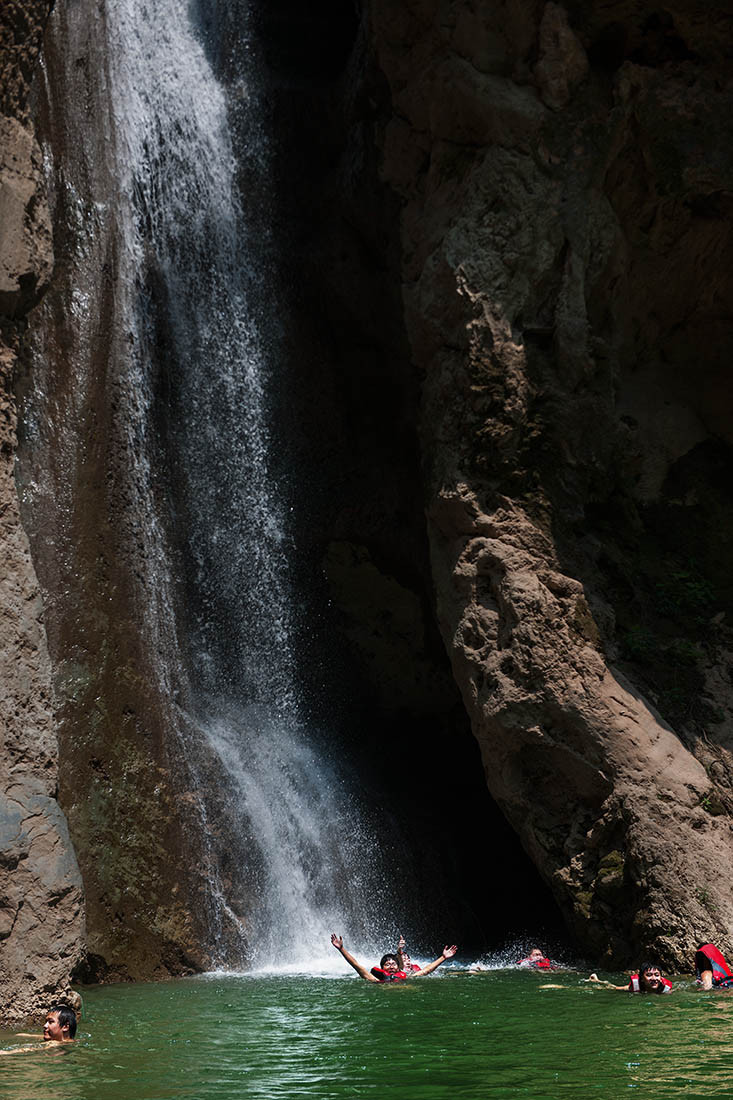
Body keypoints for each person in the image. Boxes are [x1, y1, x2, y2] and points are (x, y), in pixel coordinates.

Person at [330, 934, 457, 982]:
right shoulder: (374, 980)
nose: (391, 966)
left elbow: (427, 970)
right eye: (387, 964)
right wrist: (341, 949)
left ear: (398, 967)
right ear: (382, 968)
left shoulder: (407, 976)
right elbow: (356, 965)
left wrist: (443, 957)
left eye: (393, 964)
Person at [0, 1002, 77, 1056]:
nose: (45, 1025)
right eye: (46, 1021)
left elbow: (31, 1048)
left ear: (65, 1027)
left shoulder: (54, 1043)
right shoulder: (71, 1041)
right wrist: (24, 1035)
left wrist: (7, 1052)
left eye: (50, 1022)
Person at [587, 963, 672, 993]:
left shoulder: (665, 989)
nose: (654, 978)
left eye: (657, 975)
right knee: (613, 988)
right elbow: (614, 988)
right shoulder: (635, 986)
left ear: (661, 978)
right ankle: (597, 980)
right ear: (642, 978)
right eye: (649, 975)